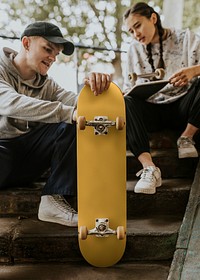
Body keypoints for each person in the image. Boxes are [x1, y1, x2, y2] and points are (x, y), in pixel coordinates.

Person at [0, 21, 111, 227]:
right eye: (48, 49)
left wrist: (98, 88)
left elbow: (78, 102)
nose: (52, 58)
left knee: (69, 125)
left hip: (26, 162)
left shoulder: (46, 84)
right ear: (26, 43)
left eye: (56, 54)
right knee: (67, 117)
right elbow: (9, 103)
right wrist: (67, 113)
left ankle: (53, 198)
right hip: (2, 154)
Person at [123, 2, 200, 194]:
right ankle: (149, 168)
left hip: (184, 108)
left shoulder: (187, 37)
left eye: (138, 26)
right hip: (152, 111)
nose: (136, 34)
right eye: (131, 31)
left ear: (153, 19)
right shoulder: (133, 49)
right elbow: (128, 86)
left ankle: (186, 138)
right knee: (126, 101)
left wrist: (193, 71)